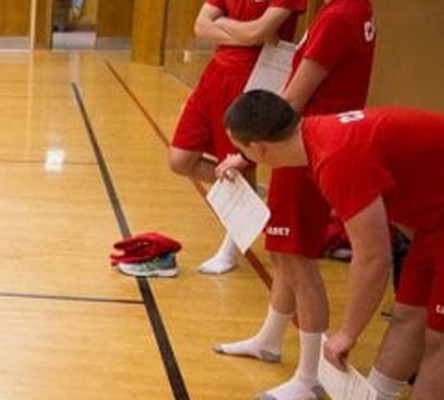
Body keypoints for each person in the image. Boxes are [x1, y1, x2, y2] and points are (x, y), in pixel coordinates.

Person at [223, 90, 442, 400]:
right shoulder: (319, 135)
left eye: (241, 149)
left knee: (439, 341)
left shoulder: (336, 157)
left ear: (259, 147)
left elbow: (374, 259)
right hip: (434, 226)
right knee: (409, 316)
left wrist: (347, 334)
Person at [210, 1, 378, 398]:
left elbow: (293, 99)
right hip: (307, 143)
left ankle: (310, 377)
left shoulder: (337, 17)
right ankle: (270, 339)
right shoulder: (354, 8)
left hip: (304, 148)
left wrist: (248, 149)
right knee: (284, 252)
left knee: (299, 259)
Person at [163, 0, 307, 276]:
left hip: (253, 78)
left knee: (240, 165)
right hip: (215, 76)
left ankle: (230, 250)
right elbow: (201, 27)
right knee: (180, 159)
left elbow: (258, 33)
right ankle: (252, 195)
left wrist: (224, 26)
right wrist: (245, 31)